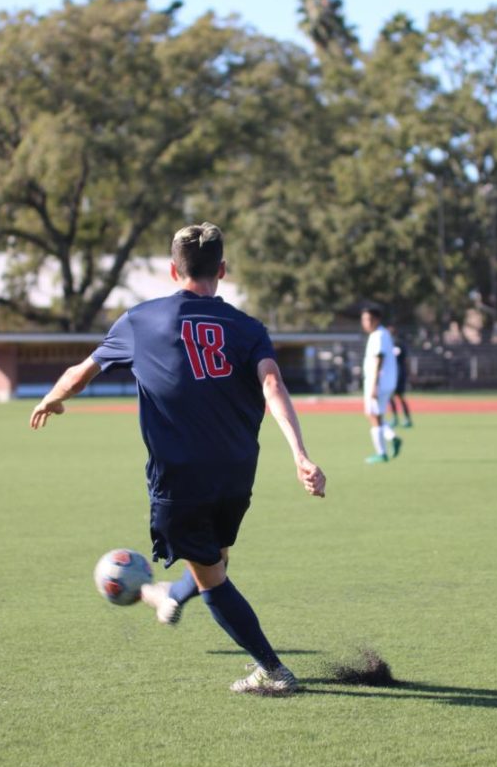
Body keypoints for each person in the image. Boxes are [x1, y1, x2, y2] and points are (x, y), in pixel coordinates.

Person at [30, 222, 326, 695]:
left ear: (172, 270)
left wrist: (52, 398)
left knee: (212, 577)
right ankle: (170, 595)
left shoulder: (140, 320)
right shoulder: (249, 329)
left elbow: (80, 371)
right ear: (223, 270)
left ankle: (272, 671)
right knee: (215, 555)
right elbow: (273, 386)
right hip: (236, 471)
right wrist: (301, 456)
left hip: (180, 476)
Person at [360, 306, 401, 464]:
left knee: (373, 416)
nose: (365, 323)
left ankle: (382, 453)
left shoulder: (378, 335)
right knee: (375, 415)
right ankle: (392, 438)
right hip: (384, 382)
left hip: (378, 382)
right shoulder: (381, 334)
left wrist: (374, 385)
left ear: (377, 320)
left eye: (368, 319)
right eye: (364, 319)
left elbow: (379, 360)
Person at [388, 325, 413, 428]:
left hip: (399, 374)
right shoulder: (387, 345)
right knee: (391, 397)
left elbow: (407, 360)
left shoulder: (399, 344)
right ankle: (395, 418)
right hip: (391, 375)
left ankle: (406, 418)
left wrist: (410, 372)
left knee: (400, 396)